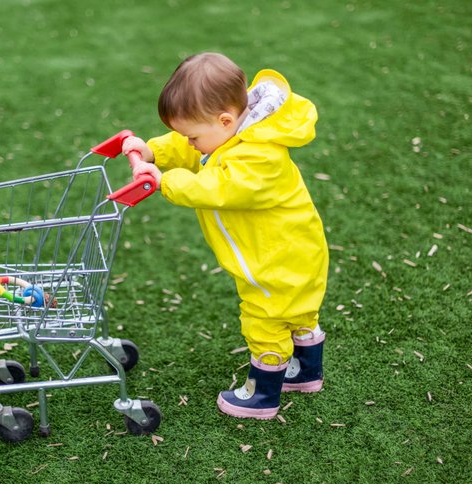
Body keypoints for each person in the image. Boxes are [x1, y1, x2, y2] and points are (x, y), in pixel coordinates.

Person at [122, 52, 329, 420]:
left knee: (264, 318)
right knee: (295, 312)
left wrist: (163, 180)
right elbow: (188, 149)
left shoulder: (259, 158)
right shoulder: (231, 134)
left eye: (194, 136)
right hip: (290, 253)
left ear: (225, 120)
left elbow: (215, 187)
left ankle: (263, 395)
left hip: (276, 261)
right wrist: (153, 150)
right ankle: (306, 373)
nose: (190, 143)